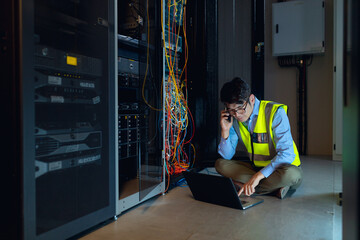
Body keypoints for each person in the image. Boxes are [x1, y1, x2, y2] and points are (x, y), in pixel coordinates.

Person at [216, 77, 303, 199]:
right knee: (220, 164)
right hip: (255, 168)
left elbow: (287, 154)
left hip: (283, 168)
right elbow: (227, 156)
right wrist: (225, 130)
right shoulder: (233, 118)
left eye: (240, 108)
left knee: (291, 175)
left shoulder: (275, 112)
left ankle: (245, 187)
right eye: (231, 110)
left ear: (251, 99)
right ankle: (273, 189)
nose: (237, 115)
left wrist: (258, 177)